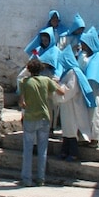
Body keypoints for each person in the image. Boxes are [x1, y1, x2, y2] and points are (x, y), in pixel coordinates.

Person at [18, 54, 66, 186]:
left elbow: (21, 102)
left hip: (30, 117)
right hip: (45, 117)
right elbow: (61, 92)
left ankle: (27, 179)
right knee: (42, 150)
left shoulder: (25, 82)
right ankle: (41, 178)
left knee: (27, 150)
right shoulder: (46, 80)